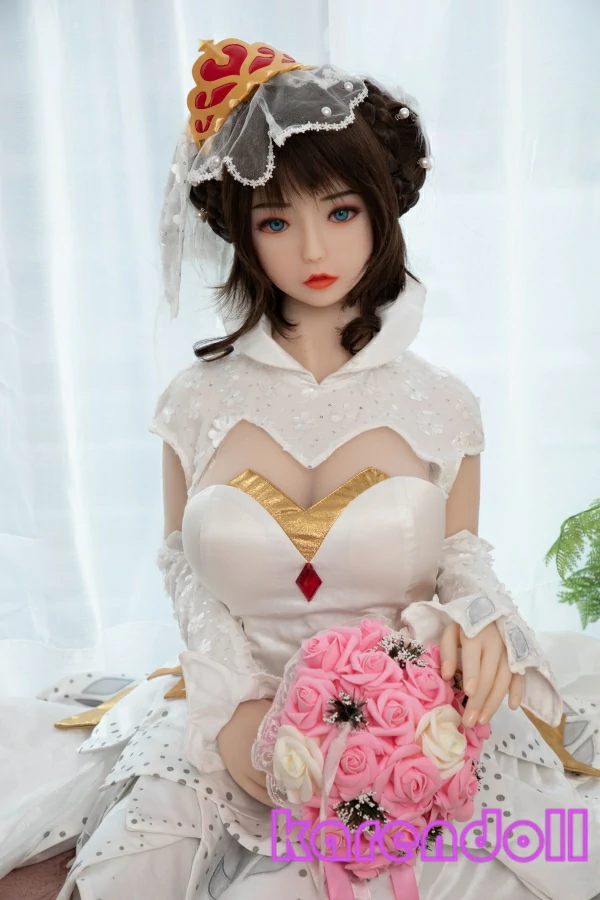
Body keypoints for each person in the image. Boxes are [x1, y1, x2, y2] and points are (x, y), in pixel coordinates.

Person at [2, 37, 599, 900]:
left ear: (383, 211)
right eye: (276, 221)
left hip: (407, 730)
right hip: (230, 718)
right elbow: (182, 566)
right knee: (122, 873)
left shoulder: (441, 404)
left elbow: (461, 559)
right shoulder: (195, 401)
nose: (313, 248)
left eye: (341, 211)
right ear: (242, 233)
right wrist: (232, 707)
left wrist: (477, 624)